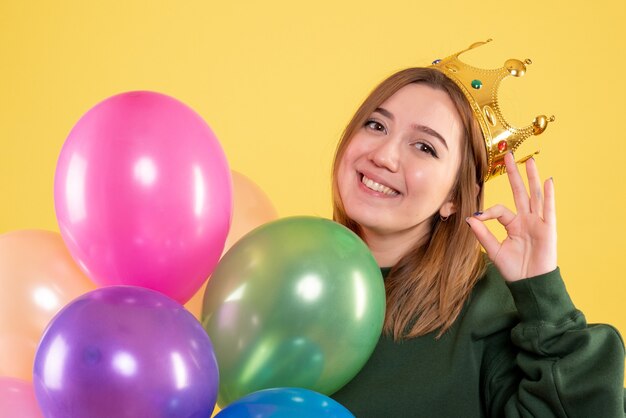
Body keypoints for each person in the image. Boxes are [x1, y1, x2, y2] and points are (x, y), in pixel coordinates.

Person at [329, 43, 626, 417]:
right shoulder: (296, 273)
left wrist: (542, 295)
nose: (384, 155)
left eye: (424, 147)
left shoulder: (488, 311)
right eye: (376, 125)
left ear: (455, 197)